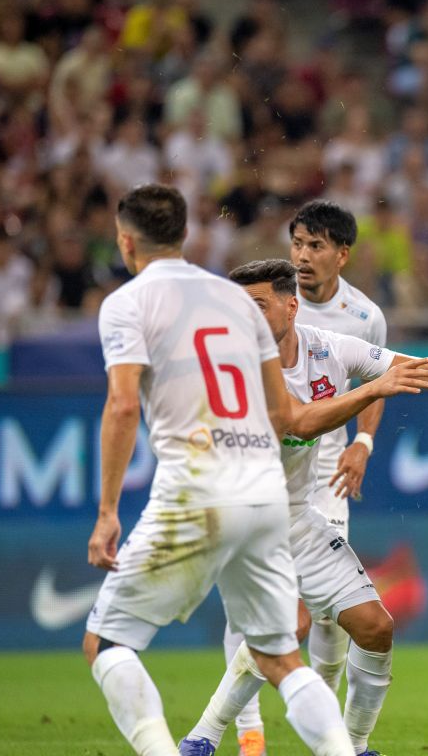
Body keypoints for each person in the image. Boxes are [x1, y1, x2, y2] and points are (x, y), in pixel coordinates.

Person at [180, 259, 428, 756]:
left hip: (293, 515)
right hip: (242, 517)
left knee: (375, 628)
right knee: (290, 627)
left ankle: (353, 746)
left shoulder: (326, 349)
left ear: (291, 306)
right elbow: (297, 423)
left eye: (256, 306)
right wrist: (371, 389)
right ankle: (203, 738)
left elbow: (427, 371)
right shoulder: (234, 366)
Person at [83, 185, 354, 756]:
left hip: (196, 485)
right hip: (264, 492)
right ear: (184, 236)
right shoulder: (234, 301)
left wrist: (108, 512)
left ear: (125, 240)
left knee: (106, 643)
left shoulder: (127, 304)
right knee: (281, 659)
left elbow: (123, 404)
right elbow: (284, 414)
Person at [221, 199, 390, 755]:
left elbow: (375, 378)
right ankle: (249, 735)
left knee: (329, 613)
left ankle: (331, 732)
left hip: (326, 467)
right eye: (297, 243)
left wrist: (363, 442)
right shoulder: (265, 306)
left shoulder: (364, 317)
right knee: (265, 611)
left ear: (342, 254)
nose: (302, 255)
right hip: (265, 468)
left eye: (315, 246)